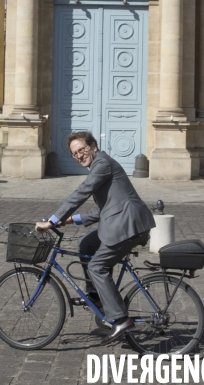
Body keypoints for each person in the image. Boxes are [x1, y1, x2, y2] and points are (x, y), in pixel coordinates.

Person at [35, 131, 155, 345]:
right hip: (120, 222)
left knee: (96, 267)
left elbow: (81, 192)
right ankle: (96, 297)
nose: (79, 155)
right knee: (87, 244)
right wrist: (70, 220)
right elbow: (104, 210)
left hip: (128, 225)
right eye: (74, 154)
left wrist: (52, 220)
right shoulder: (100, 165)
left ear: (93, 147)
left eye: (82, 150)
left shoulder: (102, 163)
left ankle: (120, 319)